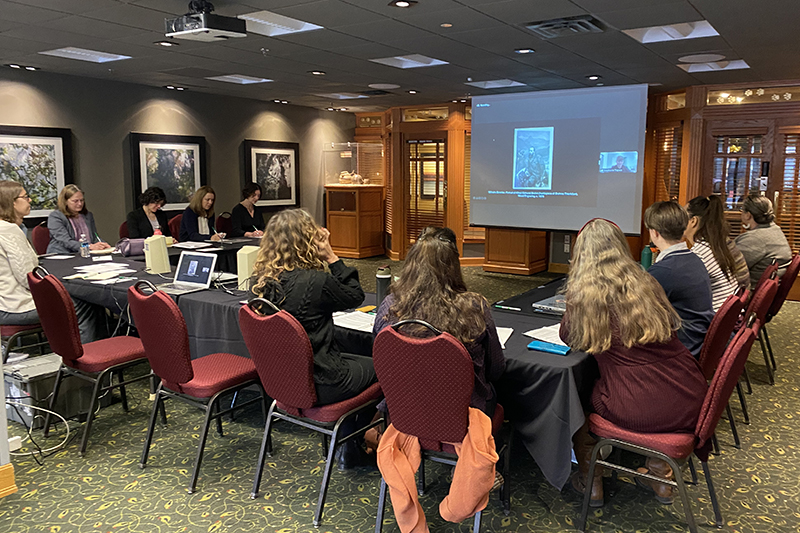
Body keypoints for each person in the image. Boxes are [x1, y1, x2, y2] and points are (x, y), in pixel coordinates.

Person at [561, 218, 707, 508]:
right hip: (690, 395)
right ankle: (659, 476)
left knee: (578, 399)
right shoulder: (648, 281)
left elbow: (570, 336)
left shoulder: (586, 296)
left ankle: (591, 481)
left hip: (634, 405)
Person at [373, 226, 505, 417]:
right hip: (463, 416)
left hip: (407, 411)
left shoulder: (390, 306)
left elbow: (381, 359)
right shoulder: (474, 307)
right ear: (454, 266)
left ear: (411, 263)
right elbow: (496, 369)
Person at [249, 208, 374, 405]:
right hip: (323, 381)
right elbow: (355, 296)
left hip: (282, 379)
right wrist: (331, 257)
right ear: (306, 242)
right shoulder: (316, 282)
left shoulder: (259, 283)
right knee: (385, 369)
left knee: (352, 357)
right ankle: (357, 432)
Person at [645, 201, 714, 358]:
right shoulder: (694, 259)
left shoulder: (663, 271)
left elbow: (637, 315)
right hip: (698, 340)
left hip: (682, 350)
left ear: (654, 232)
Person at [685, 195, 749, 310]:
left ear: (693, 221)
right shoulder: (716, 245)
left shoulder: (699, 254)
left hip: (712, 320)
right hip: (728, 316)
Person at [0, 180, 39, 327]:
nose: (30, 200)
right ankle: (86, 350)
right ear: (12, 202)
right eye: (25, 196)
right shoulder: (9, 230)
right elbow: (27, 277)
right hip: (15, 307)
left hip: (4, 306)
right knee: (77, 304)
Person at [735, 194, 792, 288]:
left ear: (748, 215)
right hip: (766, 288)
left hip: (748, 291)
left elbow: (729, 267)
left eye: (742, 210)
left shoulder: (755, 239)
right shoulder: (775, 229)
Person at [47, 185, 112, 254]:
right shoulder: (55, 216)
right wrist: (89, 246)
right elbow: (65, 241)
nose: (80, 203)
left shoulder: (88, 215)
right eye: (75, 201)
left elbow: (94, 237)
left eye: (82, 200)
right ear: (65, 201)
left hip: (86, 254)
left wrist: (103, 245)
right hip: (62, 255)